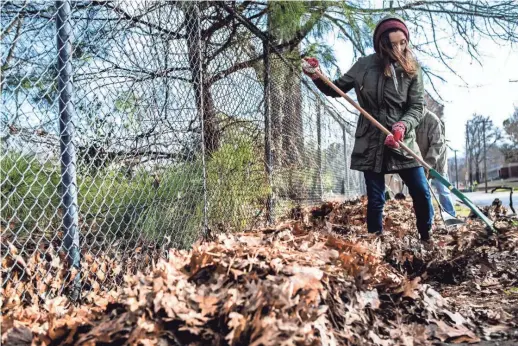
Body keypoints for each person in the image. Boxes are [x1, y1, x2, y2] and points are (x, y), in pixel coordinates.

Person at [302, 15, 434, 244]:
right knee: (375, 199)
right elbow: (335, 89)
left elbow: (417, 107)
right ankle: (376, 242)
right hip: (371, 141)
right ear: (381, 44)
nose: (399, 48)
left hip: (402, 140)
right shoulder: (364, 65)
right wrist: (316, 75)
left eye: (403, 42)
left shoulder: (412, 70)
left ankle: (426, 237)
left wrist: (402, 126)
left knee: (421, 192)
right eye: (393, 44)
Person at [415, 108, 457, 216]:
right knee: (425, 192)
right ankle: (430, 219)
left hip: (437, 163)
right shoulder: (413, 119)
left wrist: (428, 164)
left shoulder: (432, 120)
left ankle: (451, 217)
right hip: (422, 163)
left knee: (443, 191)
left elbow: (437, 145)